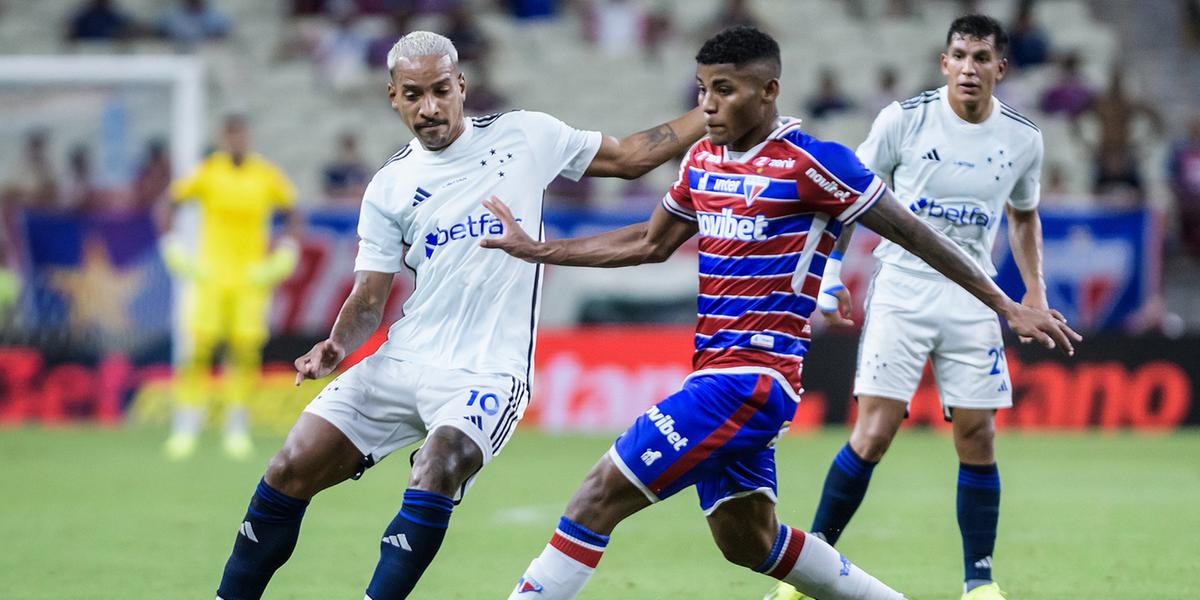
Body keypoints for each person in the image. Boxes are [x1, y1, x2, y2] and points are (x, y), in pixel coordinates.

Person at [483, 25, 1077, 600]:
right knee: (750, 541)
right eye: (702, 88)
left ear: (768, 91)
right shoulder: (702, 163)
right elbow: (648, 242)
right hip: (715, 374)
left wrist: (1005, 302)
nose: (708, 105)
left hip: (752, 380)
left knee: (596, 498)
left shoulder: (815, 164)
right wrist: (537, 250)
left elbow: (916, 234)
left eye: (725, 89)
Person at [211, 31, 705, 600]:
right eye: (414, 95)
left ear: (461, 86)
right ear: (392, 97)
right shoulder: (389, 187)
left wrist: (710, 110)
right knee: (289, 467)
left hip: (488, 370)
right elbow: (368, 300)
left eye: (441, 90)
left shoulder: (525, 135)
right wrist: (337, 345)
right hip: (403, 359)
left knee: (439, 465)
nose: (429, 108)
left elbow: (632, 157)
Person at [768, 15, 1066, 600]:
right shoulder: (902, 121)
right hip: (903, 289)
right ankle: (809, 573)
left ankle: (979, 583)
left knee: (978, 437)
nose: (970, 68)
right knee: (874, 432)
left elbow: (1023, 214)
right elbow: (843, 193)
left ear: (1000, 68)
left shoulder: (1023, 137)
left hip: (976, 296)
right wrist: (828, 273)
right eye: (960, 55)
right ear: (943, 62)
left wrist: (1035, 293)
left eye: (982, 57)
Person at [161, 115, 299, 462]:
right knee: (199, 349)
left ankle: (236, 426)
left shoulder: (265, 176)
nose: (237, 141)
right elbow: (168, 204)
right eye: (231, 135)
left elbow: (293, 213)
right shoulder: (209, 172)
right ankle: (187, 424)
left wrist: (286, 250)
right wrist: (172, 244)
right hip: (211, 276)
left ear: (247, 137)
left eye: (241, 134)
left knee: (244, 351)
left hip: (250, 278)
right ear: (224, 137)